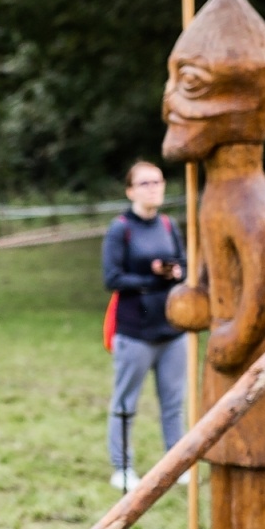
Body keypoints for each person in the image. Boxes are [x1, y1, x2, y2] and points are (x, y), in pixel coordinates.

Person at [102, 161, 186, 490]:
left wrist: (176, 272)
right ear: (131, 190)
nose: (153, 188)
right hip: (134, 331)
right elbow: (112, 278)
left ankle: (176, 463)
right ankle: (122, 468)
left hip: (172, 329)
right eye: (145, 183)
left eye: (158, 182)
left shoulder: (168, 224)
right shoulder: (120, 228)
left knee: (173, 401)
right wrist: (152, 276)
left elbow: (185, 265)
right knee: (126, 402)